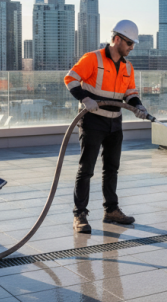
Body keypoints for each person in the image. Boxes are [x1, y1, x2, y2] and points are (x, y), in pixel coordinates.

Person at [64, 19, 154, 233]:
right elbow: (70, 79)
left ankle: (111, 210)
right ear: (117, 39)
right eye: (130, 43)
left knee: (112, 168)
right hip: (93, 121)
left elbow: (130, 93)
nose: (132, 48)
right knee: (86, 169)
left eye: (133, 44)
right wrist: (85, 99)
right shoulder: (92, 59)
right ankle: (80, 215)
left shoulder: (127, 67)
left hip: (115, 122)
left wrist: (138, 106)